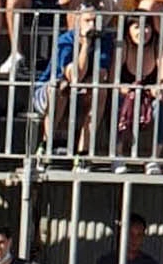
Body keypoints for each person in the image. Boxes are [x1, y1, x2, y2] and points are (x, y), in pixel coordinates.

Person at [32, 2, 114, 161]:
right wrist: (85, 45)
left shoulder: (104, 40)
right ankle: (46, 145)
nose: (92, 25)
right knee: (59, 89)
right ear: (78, 21)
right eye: (87, 21)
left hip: (82, 90)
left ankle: (82, 153)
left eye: (95, 21)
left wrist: (87, 82)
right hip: (49, 91)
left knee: (100, 91)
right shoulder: (66, 40)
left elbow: (101, 74)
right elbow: (73, 75)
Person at [110, 15, 163, 174]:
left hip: (151, 96)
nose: (143, 31)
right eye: (136, 27)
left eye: (146, 26)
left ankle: (154, 157)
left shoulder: (161, 44)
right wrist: (134, 90)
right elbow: (113, 80)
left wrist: (157, 89)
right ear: (128, 30)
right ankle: (118, 155)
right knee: (115, 100)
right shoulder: (122, 44)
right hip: (127, 93)